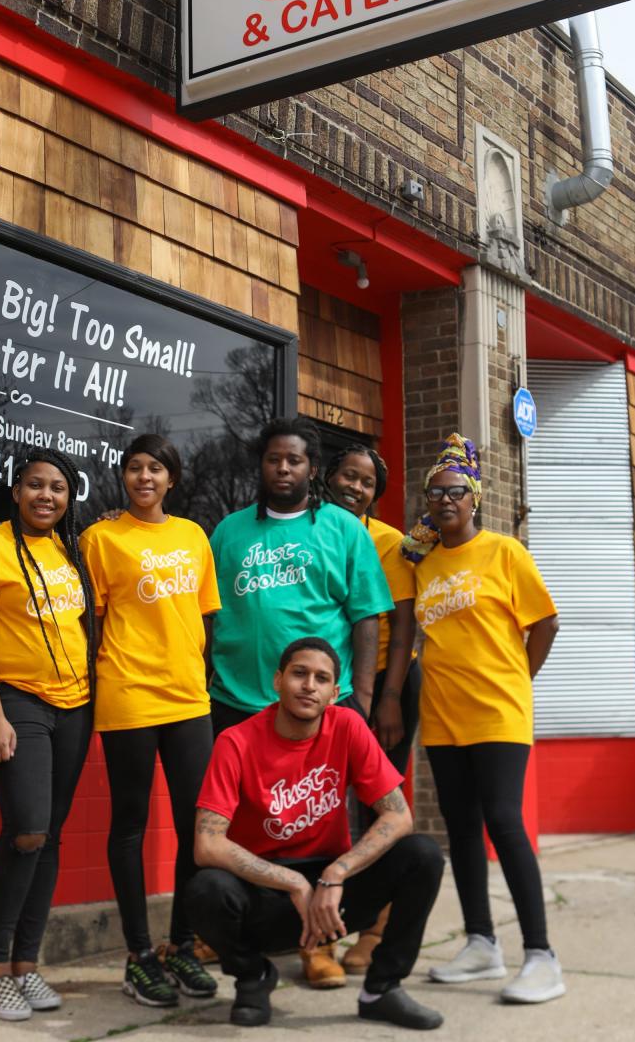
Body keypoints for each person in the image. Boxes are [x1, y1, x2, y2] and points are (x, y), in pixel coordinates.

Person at [208, 417, 393, 988]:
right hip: (235, 698)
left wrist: (358, 699)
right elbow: (206, 614)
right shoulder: (228, 533)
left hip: (318, 707)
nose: (283, 469)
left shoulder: (344, 530)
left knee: (315, 823)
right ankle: (234, 935)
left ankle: (319, 945)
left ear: (312, 469)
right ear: (260, 466)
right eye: (273, 460)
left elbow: (366, 616)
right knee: (240, 829)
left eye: (294, 460)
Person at [187, 636, 445, 1032]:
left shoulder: (347, 726)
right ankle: (253, 977)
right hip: (266, 893)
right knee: (205, 888)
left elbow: (398, 816)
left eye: (321, 678)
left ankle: (382, 989)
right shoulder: (236, 741)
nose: (309, 685)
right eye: (299, 673)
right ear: (277, 681)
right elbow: (207, 844)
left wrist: (336, 873)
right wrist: (293, 883)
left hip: (332, 893)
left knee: (423, 855)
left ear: (333, 692)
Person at [402, 433, 563, 1005]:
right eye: (435, 493)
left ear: (475, 499)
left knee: (503, 821)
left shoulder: (504, 552)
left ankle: (542, 955)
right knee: (461, 828)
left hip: (498, 711)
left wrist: (519, 678)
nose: (445, 501)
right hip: (443, 714)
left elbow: (545, 623)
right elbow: (410, 609)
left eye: (456, 492)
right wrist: (412, 544)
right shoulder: (421, 565)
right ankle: (480, 942)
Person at [0, 448, 95, 1023]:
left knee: (51, 833)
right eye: (35, 485)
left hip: (75, 704)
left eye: (58, 488)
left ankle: (28, 966)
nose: (46, 496)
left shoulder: (68, 551)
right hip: (14, 701)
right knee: (28, 830)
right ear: (15, 491)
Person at [80, 434, 220, 1007]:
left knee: (197, 826)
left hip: (188, 699)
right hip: (129, 694)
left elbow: (205, 617)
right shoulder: (101, 537)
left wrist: (198, 675)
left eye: (155, 468)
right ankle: (139, 956)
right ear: (124, 477)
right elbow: (89, 623)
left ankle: (182, 945)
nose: (144, 477)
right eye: (134, 468)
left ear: (172, 479)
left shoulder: (192, 536)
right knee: (130, 824)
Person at [324, 443, 419, 976]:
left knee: (378, 806)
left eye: (366, 483)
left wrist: (386, 699)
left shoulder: (390, 543)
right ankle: (324, 925)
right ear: (328, 476)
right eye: (347, 475)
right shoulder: (312, 530)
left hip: (388, 680)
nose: (355, 487)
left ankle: (377, 929)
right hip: (332, 685)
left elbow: (402, 624)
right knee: (328, 806)